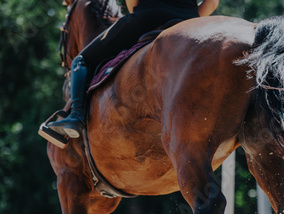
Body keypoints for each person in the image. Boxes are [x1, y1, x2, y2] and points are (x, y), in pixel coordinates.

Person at [47, 0, 219, 138]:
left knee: (82, 60)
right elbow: (212, 3)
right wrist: (187, 19)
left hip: (147, 16)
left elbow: (132, 3)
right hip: (188, 21)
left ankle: (76, 117)